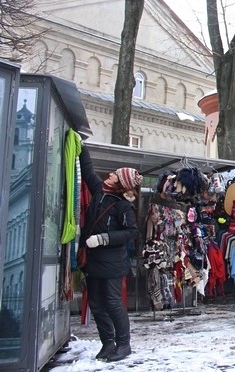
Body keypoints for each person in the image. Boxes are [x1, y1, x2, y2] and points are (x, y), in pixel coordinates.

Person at [79, 146, 141, 362]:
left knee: (113, 302)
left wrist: (103, 238)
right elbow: (88, 171)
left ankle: (124, 345)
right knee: (96, 303)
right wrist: (82, 145)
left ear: (120, 183)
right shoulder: (99, 191)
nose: (110, 174)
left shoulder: (123, 207)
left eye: (115, 174)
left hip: (113, 264)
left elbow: (132, 232)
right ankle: (108, 343)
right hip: (93, 261)